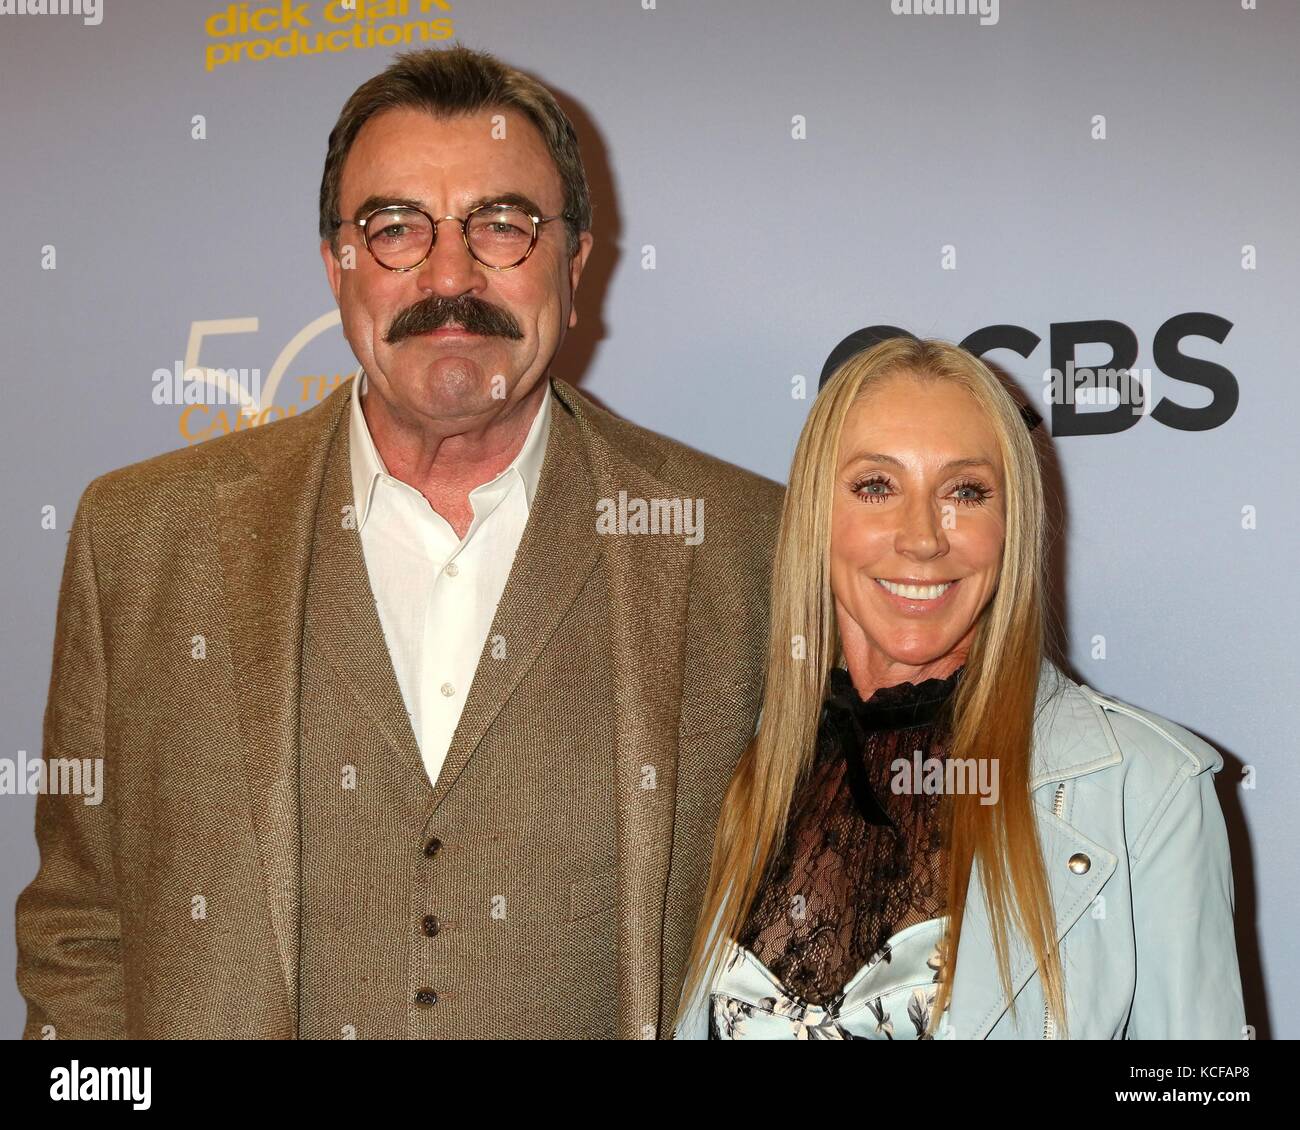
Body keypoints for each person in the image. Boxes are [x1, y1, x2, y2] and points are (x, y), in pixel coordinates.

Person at [16, 45, 782, 1039]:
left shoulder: (741, 550)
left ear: (576, 263)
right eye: (394, 229)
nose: (450, 275)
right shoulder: (143, 541)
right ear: (335, 264)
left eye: (502, 226)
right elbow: (79, 928)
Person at [674, 335, 1246, 1039]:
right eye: (876, 486)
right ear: (817, 518)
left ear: (1011, 527)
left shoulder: (1146, 789)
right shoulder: (721, 763)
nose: (922, 538)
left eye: (965, 492)